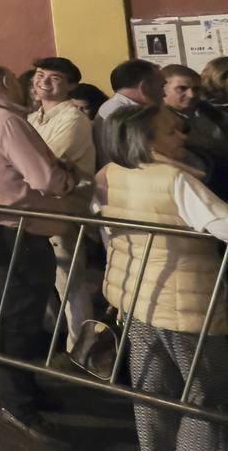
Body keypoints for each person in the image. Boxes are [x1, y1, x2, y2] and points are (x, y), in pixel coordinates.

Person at [96, 104, 228, 451]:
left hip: (136, 298)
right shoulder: (175, 180)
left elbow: (107, 232)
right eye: (172, 130)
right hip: (187, 303)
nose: (183, 135)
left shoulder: (107, 173)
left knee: (151, 391)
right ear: (146, 139)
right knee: (205, 396)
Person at [0, 65, 78, 445]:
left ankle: (21, 387)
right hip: (20, 228)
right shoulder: (8, 122)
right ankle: (18, 402)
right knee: (19, 317)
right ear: (6, 82)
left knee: (11, 310)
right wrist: (68, 178)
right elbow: (43, 177)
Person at [28, 57, 98, 360]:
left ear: (70, 85)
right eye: (40, 75)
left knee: (70, 280)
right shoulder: (34, 118)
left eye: (54, 77)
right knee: (44, 275)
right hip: (38, 207)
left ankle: (81, 349)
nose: (43, 81)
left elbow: (44, 163)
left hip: (64, 207)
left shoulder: (73, 119)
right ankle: (52, 335)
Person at [163, 64, 228, 196]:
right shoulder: (159, 123)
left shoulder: (210, 112)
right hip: (196, 189)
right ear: (163, 89)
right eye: (181, 89)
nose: (191, 94)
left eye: (196, 89)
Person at [96, 59, 166, 167]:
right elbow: (145, 155)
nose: (164, 94)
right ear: (145, 88)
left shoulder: (115, 107)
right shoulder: (119, 112)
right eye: (161, 87)